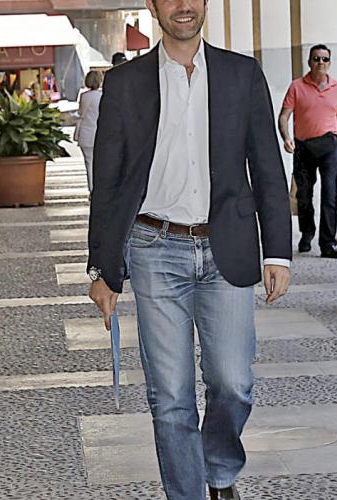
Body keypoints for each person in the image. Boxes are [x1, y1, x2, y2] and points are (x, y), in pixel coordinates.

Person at [86, 0, 292, 498]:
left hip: (227, 248)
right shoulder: (125, 83)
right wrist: (102, 269)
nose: (183, 6)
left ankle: (219, 469)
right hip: (154, 248)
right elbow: (107, 182)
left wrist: (278, 252)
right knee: (170, 397)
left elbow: (267, 165)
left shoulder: (242, 74)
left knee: (233, 383)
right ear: (154, 6)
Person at [278, 45, 337, 259]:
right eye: (316, 59)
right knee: (304, 195)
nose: (320, 63)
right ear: (309, 62)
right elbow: (284, 116)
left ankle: (328, 243)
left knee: (330, 194)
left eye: (325, 59)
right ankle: (307, 233)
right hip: (304, 146)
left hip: (329, 145)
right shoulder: (297, 86)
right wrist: (286, 138)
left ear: (329, 63)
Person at [74, 70, 103, 192]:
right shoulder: (103, 96)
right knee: (101, 163)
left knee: (89, 163)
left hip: (85, 133)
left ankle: (92, 190)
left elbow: (80, 113)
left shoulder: (84, 96)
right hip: (100, 133)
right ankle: (101, 189)